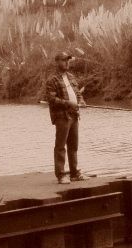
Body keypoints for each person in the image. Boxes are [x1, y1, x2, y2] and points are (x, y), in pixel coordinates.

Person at [45, 51, 87, 184]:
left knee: (73, 145)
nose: (67, 62)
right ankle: (61, 175)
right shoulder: (52, 80)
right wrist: (68, 103)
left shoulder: (71, 77)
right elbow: (52, 99)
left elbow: (77, 94)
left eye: (68, 60)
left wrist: (81, 102)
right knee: (60, 146)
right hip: (62, 117)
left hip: (74, 115)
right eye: (64, 60)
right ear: (57, 62)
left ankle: (74, 173)